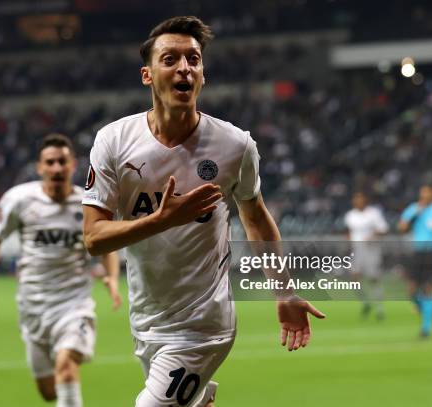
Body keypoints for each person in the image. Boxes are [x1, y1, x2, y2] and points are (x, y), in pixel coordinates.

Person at [82, 16, 325, 407]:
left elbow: (255, 217)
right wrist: (162, 220)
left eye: (193, 59)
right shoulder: (113, 141)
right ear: (148, 75)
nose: (184, 68)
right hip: (147, 317)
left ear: (203, 74)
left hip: (204, 324)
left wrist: (285, 290)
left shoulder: (235, 146)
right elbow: (94, 238)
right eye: (170, 59)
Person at [0, 134, 121, 407]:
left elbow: (106, 243)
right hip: (33, 307)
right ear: (40, 167)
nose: (56, 168)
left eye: (62, 161)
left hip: (73, 305)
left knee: (66, 365)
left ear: (72, 165)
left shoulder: (86, 204)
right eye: (50, 162)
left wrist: (111, 277)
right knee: (48, 391)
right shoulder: (18, 200)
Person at [398, 185, 432, 337]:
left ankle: (426, 328)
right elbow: (402, 228)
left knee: (428, 287)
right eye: (422, 192)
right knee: (411, 290)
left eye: (427, 192)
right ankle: (426, 309)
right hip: (417, 252)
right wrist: (416, 213)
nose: (424, 195)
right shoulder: (414, 208)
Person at [344, 191, 389, 320]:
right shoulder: (350, 215)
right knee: (354, 278)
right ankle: (365, 302)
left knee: (373, 278)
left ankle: (380, 308)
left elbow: (383, 229)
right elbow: (348, 231)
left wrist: (373, 236)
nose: (357, 202)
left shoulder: (373, 213)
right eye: (355, 199)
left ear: (365, 200)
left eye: (360, 199)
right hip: (357, 249)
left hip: (371, 249)